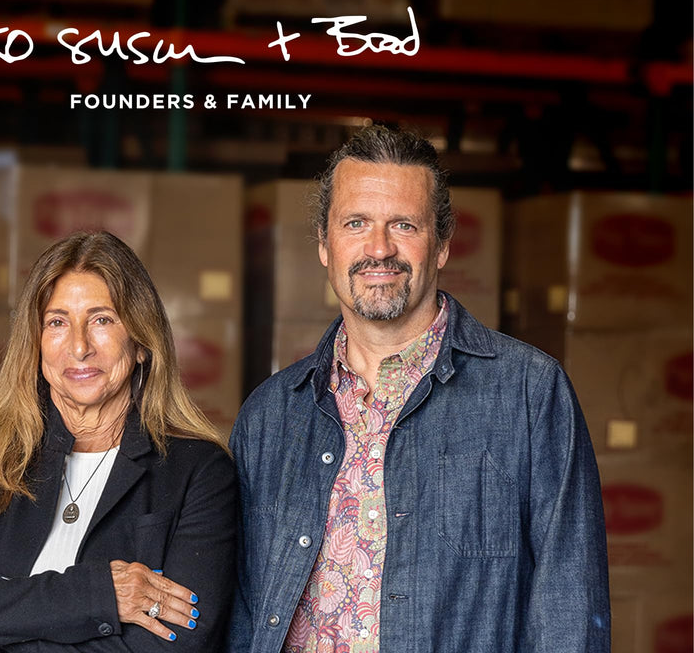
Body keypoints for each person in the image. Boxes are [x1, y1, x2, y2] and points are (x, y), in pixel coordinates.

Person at [228, 125, 610, 653]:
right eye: (356, 223)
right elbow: (244, 614)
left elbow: (569, 605)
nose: (379, 248)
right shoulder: (269, 416)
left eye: (404, 225)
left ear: (443, 245)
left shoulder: (530, 394)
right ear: (324, 244)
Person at [0, 231, 236, 653]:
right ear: (35, 344)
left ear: (142, 343)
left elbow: (177, 644)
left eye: (102, 319)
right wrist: (97, 596)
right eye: (57, 322)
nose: (78, 347)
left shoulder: (199, 472)